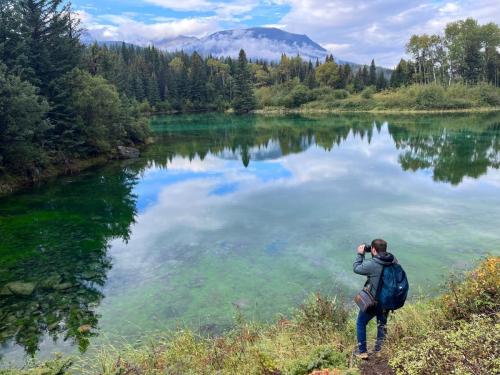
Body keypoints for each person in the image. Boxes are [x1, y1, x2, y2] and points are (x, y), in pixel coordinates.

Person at [353, 238, 396, 359]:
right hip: (387, 300)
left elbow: (356, 268)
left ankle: (362, 352)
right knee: (381, 324)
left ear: (373, 249)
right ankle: (379, 350)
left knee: (361, 323)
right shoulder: (393, 260)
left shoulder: (373, 264)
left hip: (374, 302)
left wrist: (360, 254)